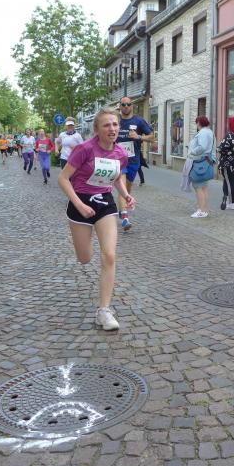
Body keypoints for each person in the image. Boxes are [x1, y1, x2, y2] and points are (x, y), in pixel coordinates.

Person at [58, 108, 135, 331]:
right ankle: (85, 241)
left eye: (115, 124)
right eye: (106, 125)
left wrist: (125, 195)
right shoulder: (84, 149)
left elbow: (117, 177)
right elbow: (63, 178)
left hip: (104, 202)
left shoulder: (120, 153)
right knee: (84, 258)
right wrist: (79, 204)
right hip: (80, 202)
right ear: (97, 129)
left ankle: (104, 311)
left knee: (109, 255)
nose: (112, 129)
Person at [115, 98, 153, 231]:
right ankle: (125, 218)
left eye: (128, 104)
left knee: (128, 187)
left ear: (132, 106)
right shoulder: (116, 120)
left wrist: (139, 137)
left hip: (133, 160)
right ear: (120, 106)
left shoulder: (139, 121)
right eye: (123, 104)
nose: (126, 106)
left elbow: (152, 136)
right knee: (122, 186)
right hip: (119, 160)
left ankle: (122, 209)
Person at [187, 116, 215, 218]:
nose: (196, 125)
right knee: (204, 187)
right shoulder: (210, 132)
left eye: (196, 123)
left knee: (198, 187)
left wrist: (192, 151)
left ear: (199, 123)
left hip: (200, 161)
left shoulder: (203, 132)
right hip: (206, 161)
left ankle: (201, 211)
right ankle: (204, 209)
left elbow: (202, 147)